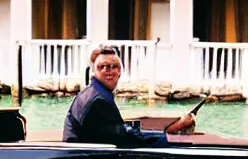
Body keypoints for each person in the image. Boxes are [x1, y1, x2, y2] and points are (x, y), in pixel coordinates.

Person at [63, 45, 195, 147]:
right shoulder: (97, 101)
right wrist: (168, 133)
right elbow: (127, 138)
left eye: (113, 67)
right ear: (94, 72)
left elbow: (117, 131)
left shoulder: (93, 93)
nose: (108, 71)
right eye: (102, 67)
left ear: (119, 72)